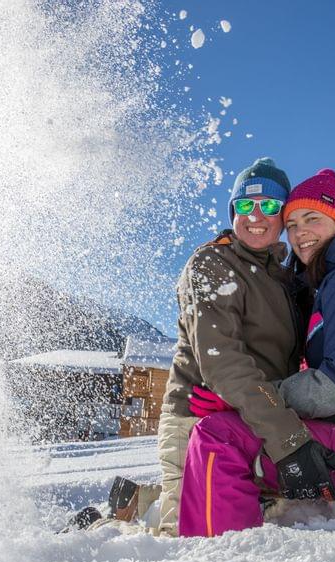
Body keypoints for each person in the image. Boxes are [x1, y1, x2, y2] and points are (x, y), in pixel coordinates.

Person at [181, 168, 335, 537]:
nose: (300, 234)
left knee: (221, 434)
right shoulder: (330, 282)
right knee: (250, 433)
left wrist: (254, 400)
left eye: (313, 219)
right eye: (293, 223)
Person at [90, 158, 312, 536]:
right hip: (198, 422)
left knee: (258, 520)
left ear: (283, 216)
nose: (255, 215)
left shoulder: (286, 280)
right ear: (233, 211)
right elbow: (221, 361)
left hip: (253, 419)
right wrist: (287, 436)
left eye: (269, 205)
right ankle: (99, 531)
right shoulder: (213, 264)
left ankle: (137, 502)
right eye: (245, 205)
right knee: (185, 540)